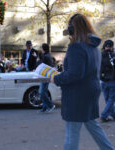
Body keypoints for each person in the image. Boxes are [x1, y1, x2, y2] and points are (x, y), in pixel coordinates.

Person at [51, 14, 115, 150]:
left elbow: (75, 73)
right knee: (93, 126)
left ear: (73, 29)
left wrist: (56, 78)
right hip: (91, 92)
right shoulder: (93, 47)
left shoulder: (76, 47)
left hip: (77, 95)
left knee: (72, 133)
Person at [100, 40, 115, 122]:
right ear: (112, 46)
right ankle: (104, 115)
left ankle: (113, 114)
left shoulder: (100, 55)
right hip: (112, 80)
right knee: (111, 99)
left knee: (107, 99)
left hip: (103, 80)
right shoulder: (113, 55)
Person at [38, 43, 55, 113]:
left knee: (41, 92)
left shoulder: (45, 56)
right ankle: (45, 107)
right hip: (47, 76)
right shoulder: (48, 55)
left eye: (41, 48)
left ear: (43, 49)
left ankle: (50, 105)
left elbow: (41, 66)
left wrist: (38, 60)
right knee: (43, 92)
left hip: (44, 76)